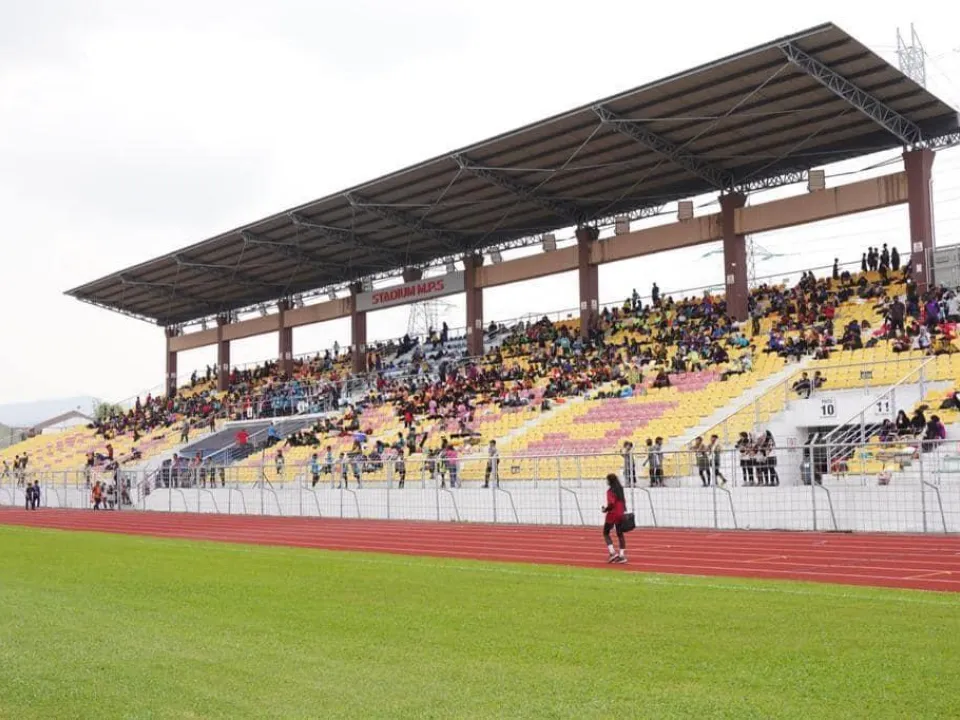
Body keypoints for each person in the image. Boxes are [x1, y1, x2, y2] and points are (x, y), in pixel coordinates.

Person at [601, 473, 627, 564]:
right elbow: (623, 501)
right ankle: (622, 555)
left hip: (612, 514)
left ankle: (612, 553)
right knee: (620, 534)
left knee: (606, 532)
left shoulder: (610, 491)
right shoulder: (620, 489)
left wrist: (605, 509)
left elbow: (611, 503)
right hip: (621, 513)